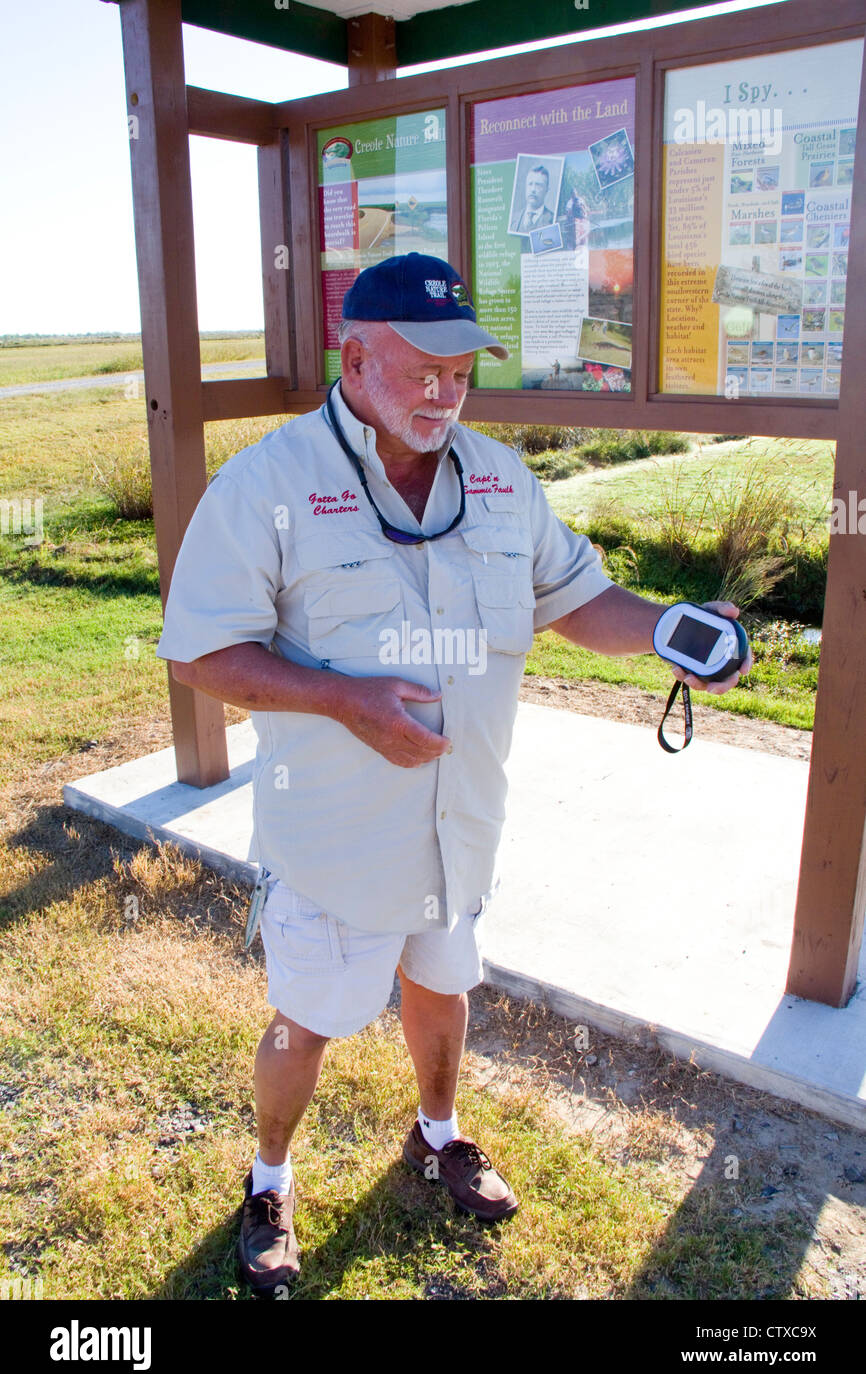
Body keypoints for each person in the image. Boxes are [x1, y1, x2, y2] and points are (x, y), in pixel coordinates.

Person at [155, 251, 752, 1296]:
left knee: (443, 984)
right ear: (352, 356)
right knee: (305, 1019)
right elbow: (200, 649)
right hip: (337, 839)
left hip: (459, 822)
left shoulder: (500, 480)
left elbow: (572, 598)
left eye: (460, 368)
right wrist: (345, 701)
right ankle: (269, 1178)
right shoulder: (267, 484)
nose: (443, 389)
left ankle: (435, 1135)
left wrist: (665, 627)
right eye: (418, 366)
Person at [510, 164, 554, 235]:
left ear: (547, 190)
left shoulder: (553, 221)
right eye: (530, 184)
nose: (533, 189)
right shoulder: (512, 219)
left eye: (538, 185)